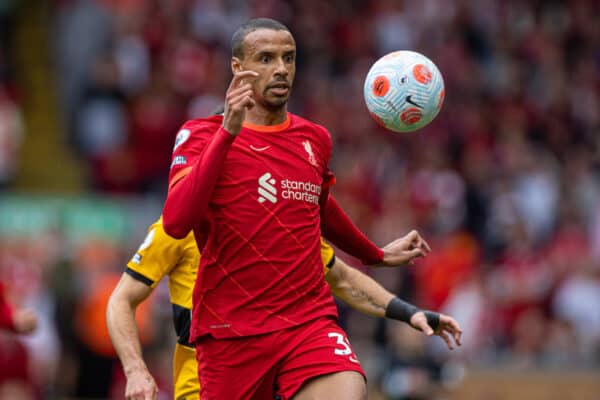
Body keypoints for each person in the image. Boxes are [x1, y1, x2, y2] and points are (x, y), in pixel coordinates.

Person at [161, 18, 461, 399]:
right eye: (266, 58)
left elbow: (317, 207)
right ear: (238, 67)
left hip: (308, 322)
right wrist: (227, 134)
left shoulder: (313, 138)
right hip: (232, 330)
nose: (281, 68)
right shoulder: (200, 134)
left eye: (289, 58)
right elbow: (175, 221)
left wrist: (376, 254)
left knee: (348, 389)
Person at [107, 217, 461, 400]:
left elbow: (343, 278)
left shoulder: (284, 222)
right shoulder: (179, 227)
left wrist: (409, 313)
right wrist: (136, 370)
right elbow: (121, 300)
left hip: (280, 380)